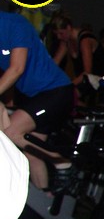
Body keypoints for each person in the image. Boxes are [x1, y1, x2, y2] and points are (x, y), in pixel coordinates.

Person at [0, 10, 75, 192]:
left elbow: (16, 69)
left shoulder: (14, 24)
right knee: (32, 155)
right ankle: (45, 200)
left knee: (10, 133)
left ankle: (61, 161)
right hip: (35, 97)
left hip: (56, 92)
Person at [48, 14, 104, 85]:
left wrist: (69, 85)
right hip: (95, 80)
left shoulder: (85, 40)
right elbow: (55, 62)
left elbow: (87, 73)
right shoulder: (65, 41)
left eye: (61, 33)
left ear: (68, 27)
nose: (58, 37)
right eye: (56, 34)